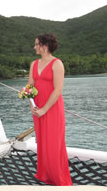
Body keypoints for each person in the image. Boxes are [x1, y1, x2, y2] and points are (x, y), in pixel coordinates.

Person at [27, 33, 73, 186]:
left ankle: (58, 178)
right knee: (42, 141)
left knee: (54, 142)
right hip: (38, 108)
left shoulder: (57, 64)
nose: (34, 47)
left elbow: (58, 90)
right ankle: (45, 174)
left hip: (51, 108)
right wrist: (32, 106)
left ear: (44, 46)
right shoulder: (34, 64)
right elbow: (30, 87)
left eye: (36, 44)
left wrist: (44, 109)